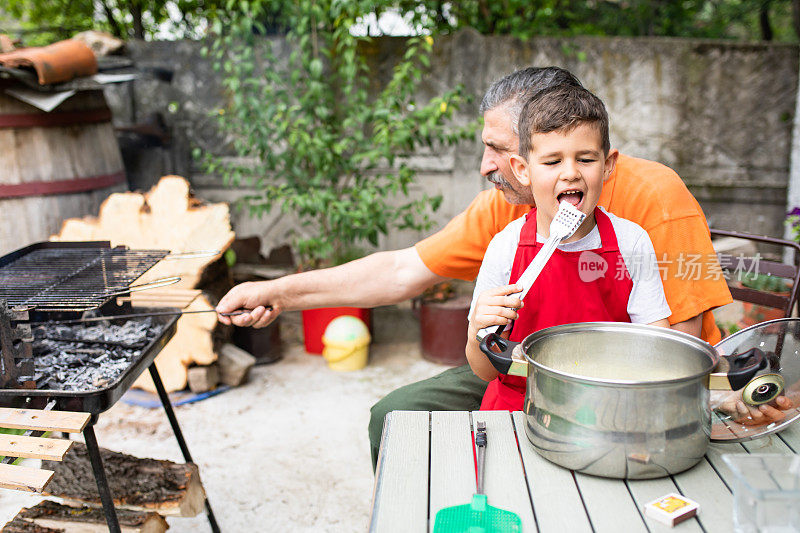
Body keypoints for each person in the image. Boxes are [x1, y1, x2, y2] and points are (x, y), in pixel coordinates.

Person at [216, 67, 734, 469]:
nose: (487, 166)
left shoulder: (651, 201)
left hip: (628, 382)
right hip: (524, 367)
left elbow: (676, 342)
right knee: (394, 414)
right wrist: (278, 292)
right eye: (492, 151)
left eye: (497, 148)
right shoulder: (508, 211)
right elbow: (402, 271)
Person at [465, 84, 671, 410]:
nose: (571, 173)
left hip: (607, 409)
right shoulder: (506, 248)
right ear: (523, 170)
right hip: (517, 410)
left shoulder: (631, 243)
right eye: (552, 162)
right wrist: (478, 328)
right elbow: (484, 370)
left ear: (608, 165)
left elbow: (657, 349)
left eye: (586, 159)